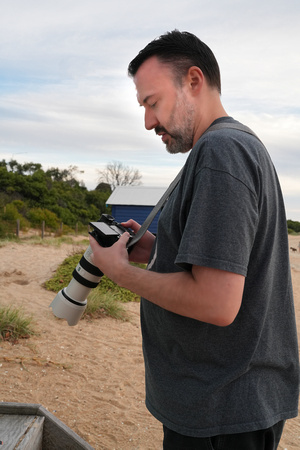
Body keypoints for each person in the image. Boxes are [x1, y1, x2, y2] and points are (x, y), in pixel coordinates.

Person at [89, 30, 299, 449]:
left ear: (194, 81)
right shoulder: (227, 147)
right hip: (223, 407)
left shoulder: (222, 152)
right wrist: (156, 247)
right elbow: (227, 262)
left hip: (223, 413)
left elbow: (215, 303)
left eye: (152, 103)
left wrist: (120, 273)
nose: (148, 121)